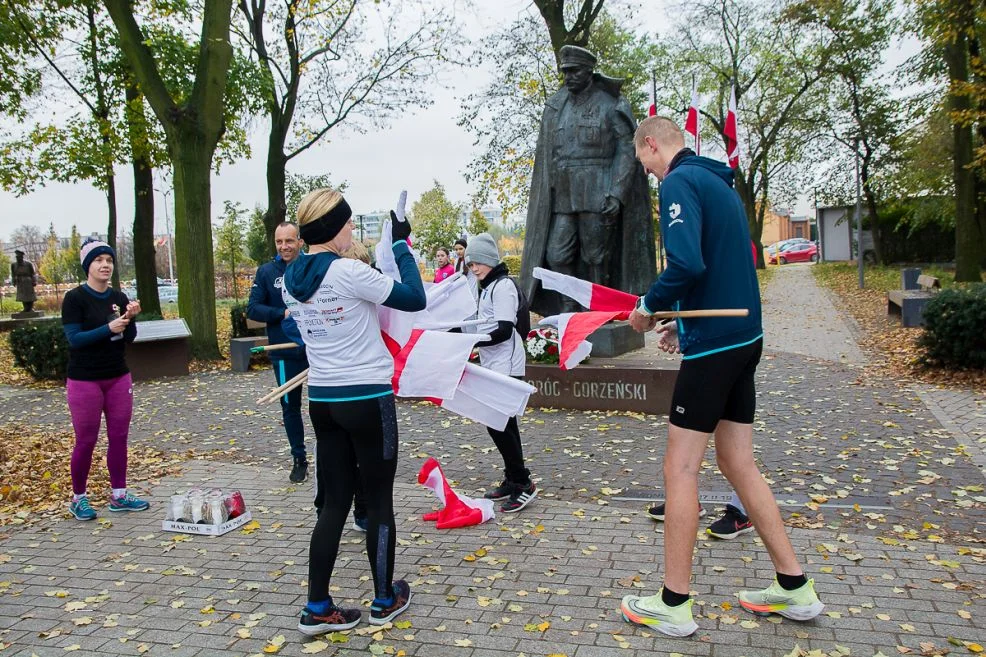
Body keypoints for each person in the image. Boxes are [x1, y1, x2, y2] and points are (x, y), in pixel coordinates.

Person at [620, 117, 823, 636]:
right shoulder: (719, 183)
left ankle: (673, 602)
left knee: (680, 469)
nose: (644, 171)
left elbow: (685, 263)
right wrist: (680, 326)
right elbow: (717, 269)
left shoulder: (681, 183)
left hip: (718, 349)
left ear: (651, 143)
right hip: (741, 339)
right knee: (737, 462)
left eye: (642, 160)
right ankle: (795, 587)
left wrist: (648, 307)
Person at [281, 187, 425, 635]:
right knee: (379, 500)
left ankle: (317, 606)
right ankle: (384, 600)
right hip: (366, 397)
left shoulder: (290, 278)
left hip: (323, 400)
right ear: (330, 228)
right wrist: (400, 244)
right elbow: (413, 298)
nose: (349, 229)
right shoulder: (347, 272)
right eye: (345, 223)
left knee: (334, 504)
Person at [519, 44, 654, 316]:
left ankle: (598, 309)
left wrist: (617, 192)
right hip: (564, 194)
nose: (568, 77)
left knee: (596, 257)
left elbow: (627, 149)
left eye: (574, 71)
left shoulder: (610, 103)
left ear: (589, 71)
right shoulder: (557, 105)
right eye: (565, 72)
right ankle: (568, 306)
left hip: (598, 190)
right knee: (556, 253)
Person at [61, 238, 149, 521]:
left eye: (109, 261)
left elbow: (129, 338)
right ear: (88, 266)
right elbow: (75, 340)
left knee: (119, 438)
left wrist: (131, 318)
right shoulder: (75, 298)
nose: (105, 265)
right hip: (85, 380)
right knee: (86, 440)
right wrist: (106, 327)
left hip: (118, 377)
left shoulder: (119, 298)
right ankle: (79, 498)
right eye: (99, 260)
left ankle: (119, 495)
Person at [466, 233, 538, 513]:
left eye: (478, 263)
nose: (474, 269)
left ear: (490, 260)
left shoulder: (503, 286)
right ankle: (514, 478)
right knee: (502, 424)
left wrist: (470, 342)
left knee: (498, 423)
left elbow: (504, 330)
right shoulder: (489, 286)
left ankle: (523, 483)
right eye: (470, 264)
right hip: (495, 364)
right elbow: (485, 327)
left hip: (506, 365)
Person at [248, 222, 311, 484]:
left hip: (317, 349)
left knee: (326, 405)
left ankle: (333, 457)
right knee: (290, 407)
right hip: (284, 353)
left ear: (300, 241)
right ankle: (299, 458)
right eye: (279, 242)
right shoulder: (266, 272)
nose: (284, 246)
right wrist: (281, 314)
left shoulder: (313, 266)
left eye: (289, 241)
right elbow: (253, 309)